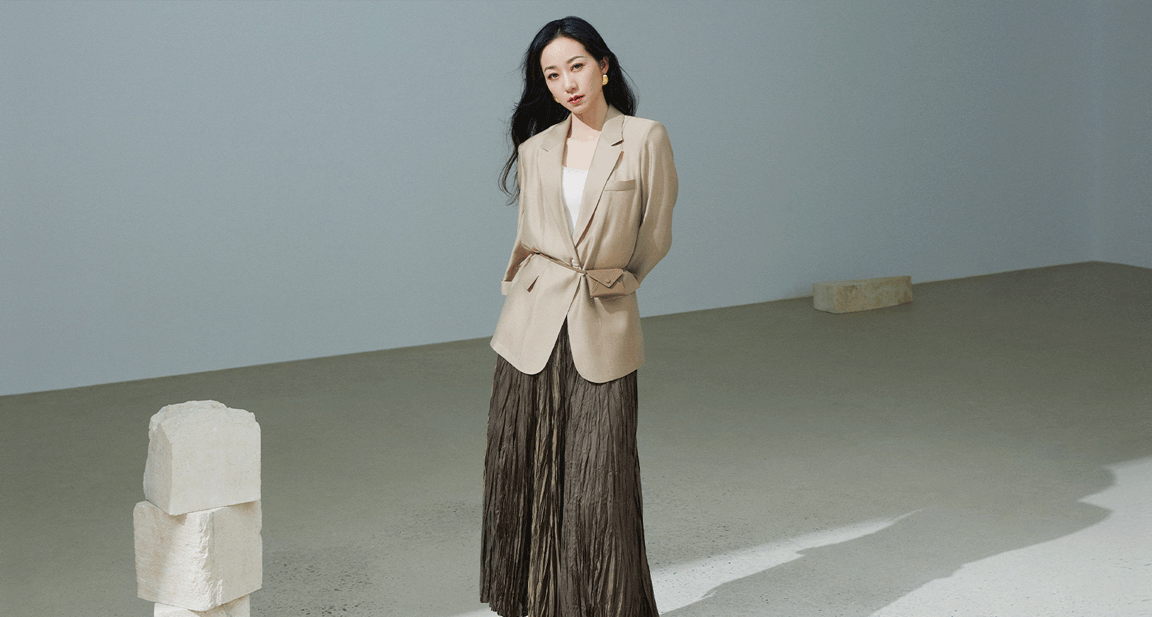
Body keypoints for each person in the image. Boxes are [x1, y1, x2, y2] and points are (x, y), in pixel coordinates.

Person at [481, 16, 677, 617]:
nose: (567, 83)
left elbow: (655, 236)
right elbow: (527, 237)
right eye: (552, 74)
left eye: (577, 66)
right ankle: (534, 604)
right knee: (525, 470)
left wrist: (614, 284)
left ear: (603, 66)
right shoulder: (536, 149)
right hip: (530, 327)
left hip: (602, 319)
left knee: (600, 481)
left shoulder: (643, 138)